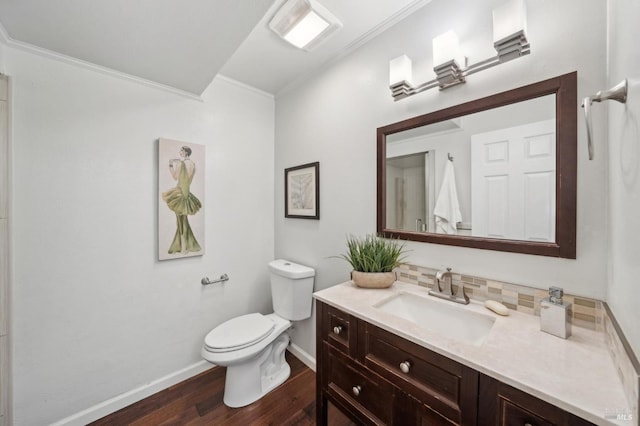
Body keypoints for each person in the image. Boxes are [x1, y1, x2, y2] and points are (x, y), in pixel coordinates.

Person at [162, 146, 202, 254]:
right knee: (183, 221)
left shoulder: (181, 164)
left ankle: (184, 247)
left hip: (179, 193)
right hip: (187, 193)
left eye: (181, 151)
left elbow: (175, 177)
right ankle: (186, 246)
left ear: (185, 152)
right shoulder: (193, 165)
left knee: (180, 221)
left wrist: (170, 165)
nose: (180, 152)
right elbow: (190, 180)